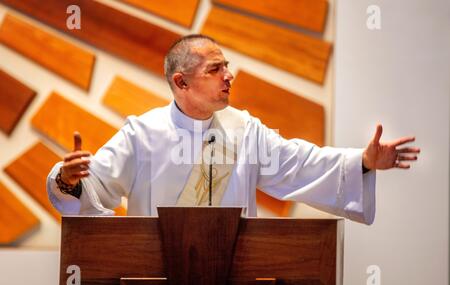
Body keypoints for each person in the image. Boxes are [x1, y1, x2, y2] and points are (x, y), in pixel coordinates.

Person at [46, 34, 420, 225]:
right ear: (181, 81)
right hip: (156, 284)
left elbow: (301, 164)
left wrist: (364, 162)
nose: (229, 76)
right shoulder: (141, 134)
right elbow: (94, 190)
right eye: (215, 69)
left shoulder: (244, 130)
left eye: (227, 66)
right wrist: (67, 180)